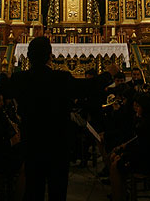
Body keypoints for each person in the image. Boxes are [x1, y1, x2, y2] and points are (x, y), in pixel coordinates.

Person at [9, 36, 119, 201]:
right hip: (57, 142)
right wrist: (108, 74)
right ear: (49, 56)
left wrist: (5, 73)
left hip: (32, 140)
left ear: (29, 56)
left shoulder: (19, 79)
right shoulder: (60, 79)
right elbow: (86, 88)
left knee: (33, 187)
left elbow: (3, 87)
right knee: (57, 189)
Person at [109, 93, 150, 201]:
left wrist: (124, 155)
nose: (136, 109)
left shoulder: (146, 125)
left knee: (115, 165)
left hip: (149, 163)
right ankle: (121, 192)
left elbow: (142, 149)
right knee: (116, 158)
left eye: (138, 106)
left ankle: (118, 196)